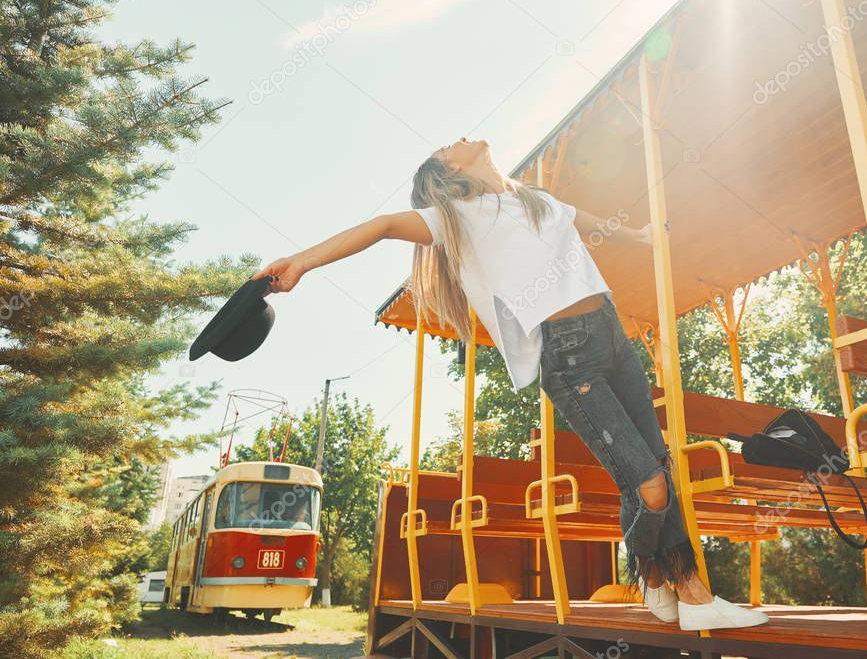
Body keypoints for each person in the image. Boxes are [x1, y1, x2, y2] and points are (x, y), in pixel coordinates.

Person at [252, 138, 767, 631]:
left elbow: (588, 224)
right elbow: (384, 225)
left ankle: (682, 590)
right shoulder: (456, 217)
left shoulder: (537, 202)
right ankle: (666, 579)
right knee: (649, 486)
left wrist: (644, 236)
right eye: (446, 148)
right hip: (570, 361)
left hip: (610, 333)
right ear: (448, 173)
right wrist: (302, 261)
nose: (458, 139)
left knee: (659, 468)